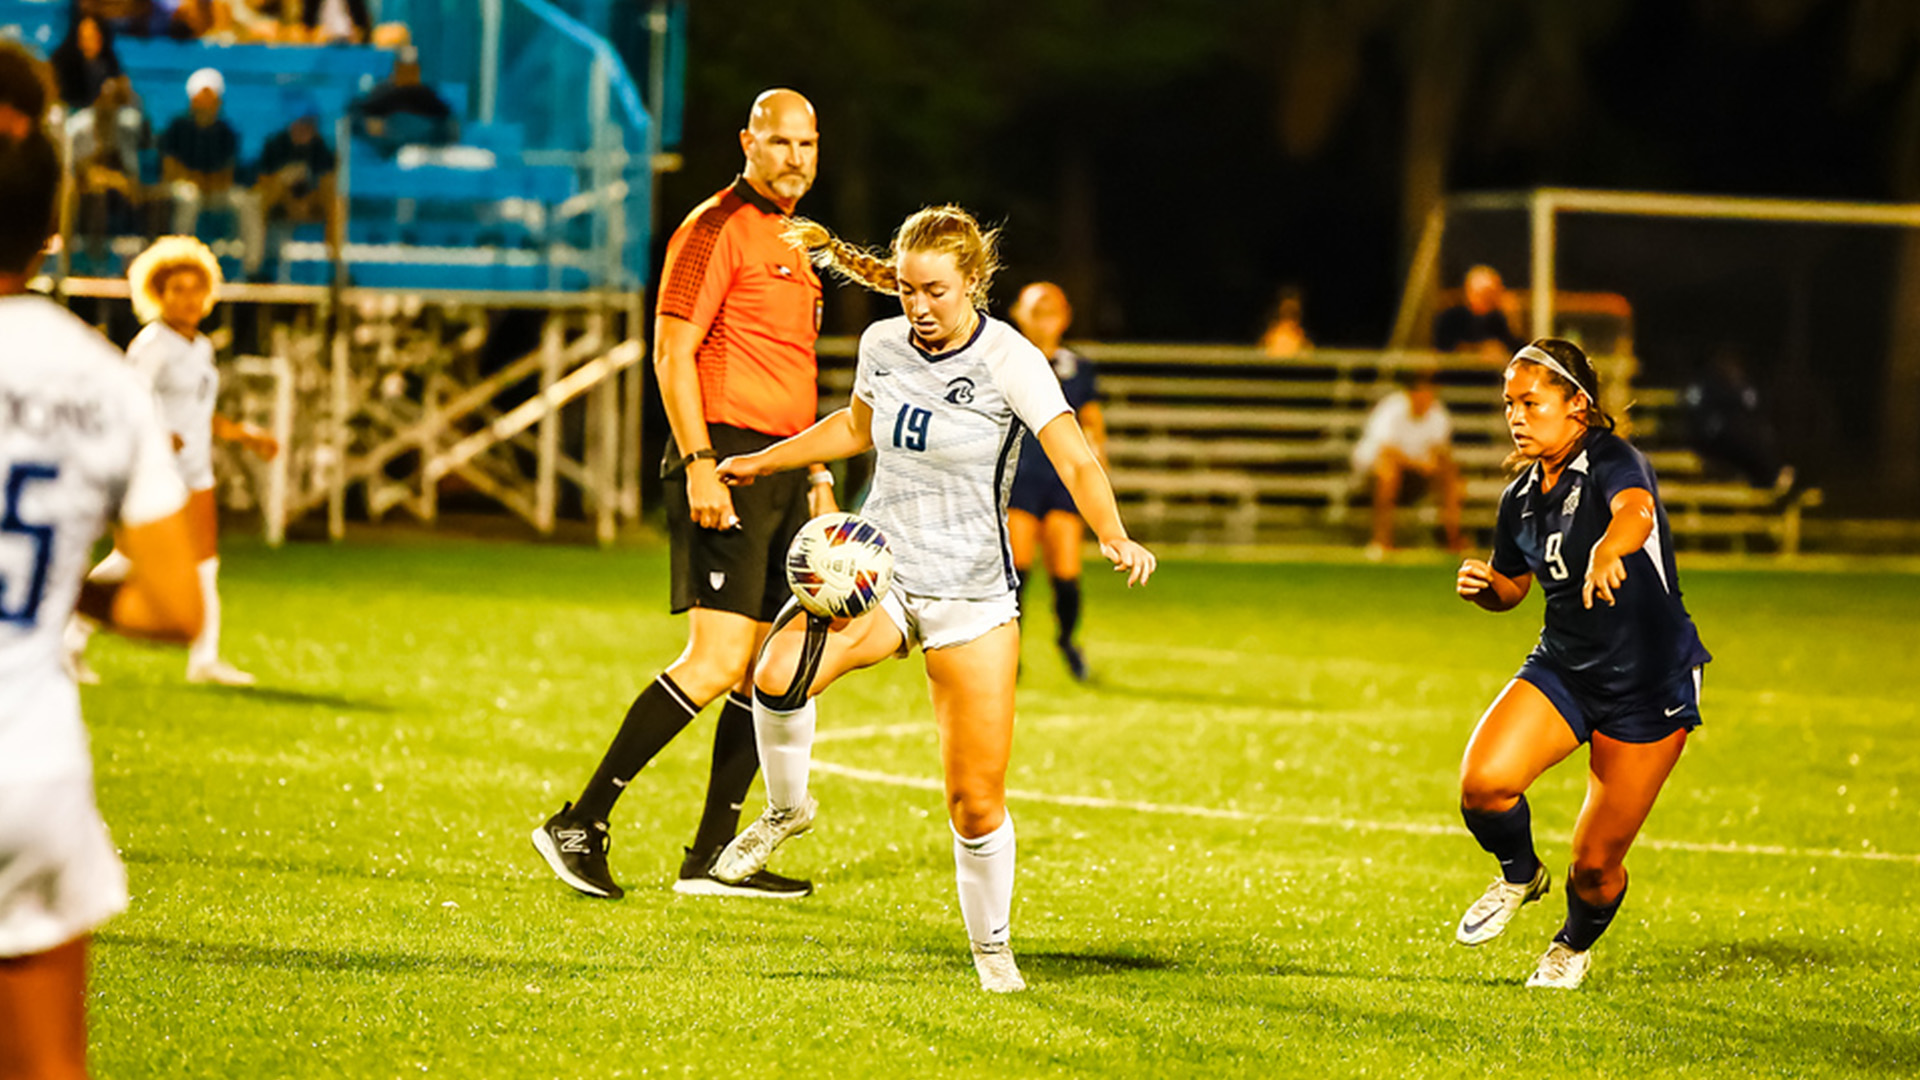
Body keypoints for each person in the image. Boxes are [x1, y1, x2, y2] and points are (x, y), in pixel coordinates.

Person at [707, 206, 1157, 993]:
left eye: (936, 292)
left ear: (974, 284)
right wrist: (766, 461)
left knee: (975, 802)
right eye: (908, 290)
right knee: (774, 674)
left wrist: (1113, 534)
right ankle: (786, 810)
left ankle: (992, 949)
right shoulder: (884, 344)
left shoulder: (1011, 360)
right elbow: (855, 430)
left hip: (972, 592)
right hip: (882, 570)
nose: (918, 307)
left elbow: (1077, 460)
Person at [530, 89, 835, 902]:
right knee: (716, 660)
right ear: (747, 142)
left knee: (764, 669)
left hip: (778, 469)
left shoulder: (797, 239)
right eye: (779, 143)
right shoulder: (714, 228)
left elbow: (794, 371)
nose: (795, 158)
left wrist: (813, 474)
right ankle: (579, 822)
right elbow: (672, 351)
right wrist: (701, 460)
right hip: (726, 458)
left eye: (807, 144)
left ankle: (713, 857)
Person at [0, 40, 203, 1080]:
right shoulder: (93, 376)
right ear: (48, 227)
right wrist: (52, 587)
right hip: (29, 776)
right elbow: (173, 601)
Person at [1453, 338, 1711, 990]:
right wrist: (1491, 591)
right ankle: (1519, 873)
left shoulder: (1612, 460)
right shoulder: (1519, 497)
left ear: (1576, 405)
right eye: (1509, 402)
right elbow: (1514, 587)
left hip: (1648, 685)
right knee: (1483, 787)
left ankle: (1572, 943)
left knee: (1595, 866)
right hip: (1564, 668)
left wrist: (1609, 549)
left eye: (1531, 401)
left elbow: (1636, 512)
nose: (1516, 415)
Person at [67, 236, 281, 688]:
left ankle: (204, 659)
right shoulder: (154, 344)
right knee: (128, 560)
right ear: (156, 295)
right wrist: (156, 434)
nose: (187, 298)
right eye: (175, 289)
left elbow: (199, 413)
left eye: (194, 288)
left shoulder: (199, 347)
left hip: (195, 471)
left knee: (205, 563)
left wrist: (245, 435)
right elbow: (124, 400)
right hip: (157, 470)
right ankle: (67, 638)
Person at [1005, 281, 1106, 681]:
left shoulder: (1077, 367)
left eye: (1053, 309)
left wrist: (1098, 477)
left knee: (1066, 572)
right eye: (1036, 308)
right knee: (1017, 569)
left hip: (1062, 479)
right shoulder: (1007, 361)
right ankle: (1009, 654)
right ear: (1019, 314)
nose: (1045, 316)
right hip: (1020, 477)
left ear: (1066, 316)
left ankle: (1067, 642)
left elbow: (1093, 425)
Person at [158, 67, 265, 278]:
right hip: (184, 189)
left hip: (215, 191)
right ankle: (180, 263)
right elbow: (170, 169)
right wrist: (195, 180)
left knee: (247, 202)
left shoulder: (226, 131)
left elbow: (227, 173)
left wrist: (207, 183)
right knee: (189, 197)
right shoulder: (177, 127)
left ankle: (252, 270)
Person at [1352, 367, 1464, 557]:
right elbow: (1386, 451)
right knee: (1388, 473)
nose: (1425, 399)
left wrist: (1435, 464)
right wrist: (1419, 464)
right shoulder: (1391, 409)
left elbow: (1441, 450)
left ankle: (1453, 538)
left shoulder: (1437, 413)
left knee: (1450, 475)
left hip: (1415, 472)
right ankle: (1381, 540)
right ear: (1411, 394)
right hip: (1373, 471)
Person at [1682, 346, 1795, 494]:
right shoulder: (1706, 385)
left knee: (1759, 437)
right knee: (1745, 441)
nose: (1730, 367)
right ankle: (1767, 479)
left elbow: (1751, 404)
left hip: (1734, 436)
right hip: (1712, 438)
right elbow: (1696, 411)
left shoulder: (1739, 385)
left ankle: (1770, 480)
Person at [66, 75, 147, 274]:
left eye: (117, 99)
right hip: (82, 191)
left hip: (117, 190)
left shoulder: (126, 124)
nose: (111, 104)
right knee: (97, 196)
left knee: (150, 200)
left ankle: (137, 265)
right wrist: (115, 180)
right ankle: (90, 265)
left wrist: (126, 184)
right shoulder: (79, 126)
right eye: (107, 98)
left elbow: (131, 171)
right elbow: (81, 170)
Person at [254, 107, 340, 276]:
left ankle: (335, 267)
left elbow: (327, 185)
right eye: (300, 124)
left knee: (336, 200)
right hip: (278, 208)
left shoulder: (321, 149)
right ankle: (258, 268)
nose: (304, 130)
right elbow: (263, 185)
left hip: (312, 208)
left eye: (308, 125)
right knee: (261, 195)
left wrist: (304, 204)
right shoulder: (275, 145)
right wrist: (289, 198)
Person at [349, 47, 457, 158]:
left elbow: (449, 126)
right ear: (396, 67)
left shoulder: (427, 94)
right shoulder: (380, 92)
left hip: (423, 153)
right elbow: (368, 125)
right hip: (390, 154)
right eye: (404, 66)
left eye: (412, 66)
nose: (408, 70)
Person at [1434, 265, 1523, 358]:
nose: (1492, 298)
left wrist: (1513, 318)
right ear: (1471, 293)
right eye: (1487, 293)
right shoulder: (1451, 317)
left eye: (1495, 293)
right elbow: (1445, 349)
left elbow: (1516, 348)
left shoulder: (1497, 318)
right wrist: (1480, 349)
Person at [49, 14, 123, 112]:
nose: (88, 43)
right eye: (84, 37)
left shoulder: (111, 64)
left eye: (93, 37)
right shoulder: (62, 64)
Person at [1258, 284, 1312, 358]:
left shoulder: (1302, 339)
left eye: (1293, 314)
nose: (1289, 320)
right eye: (1286, 313)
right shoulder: (1270, 338)